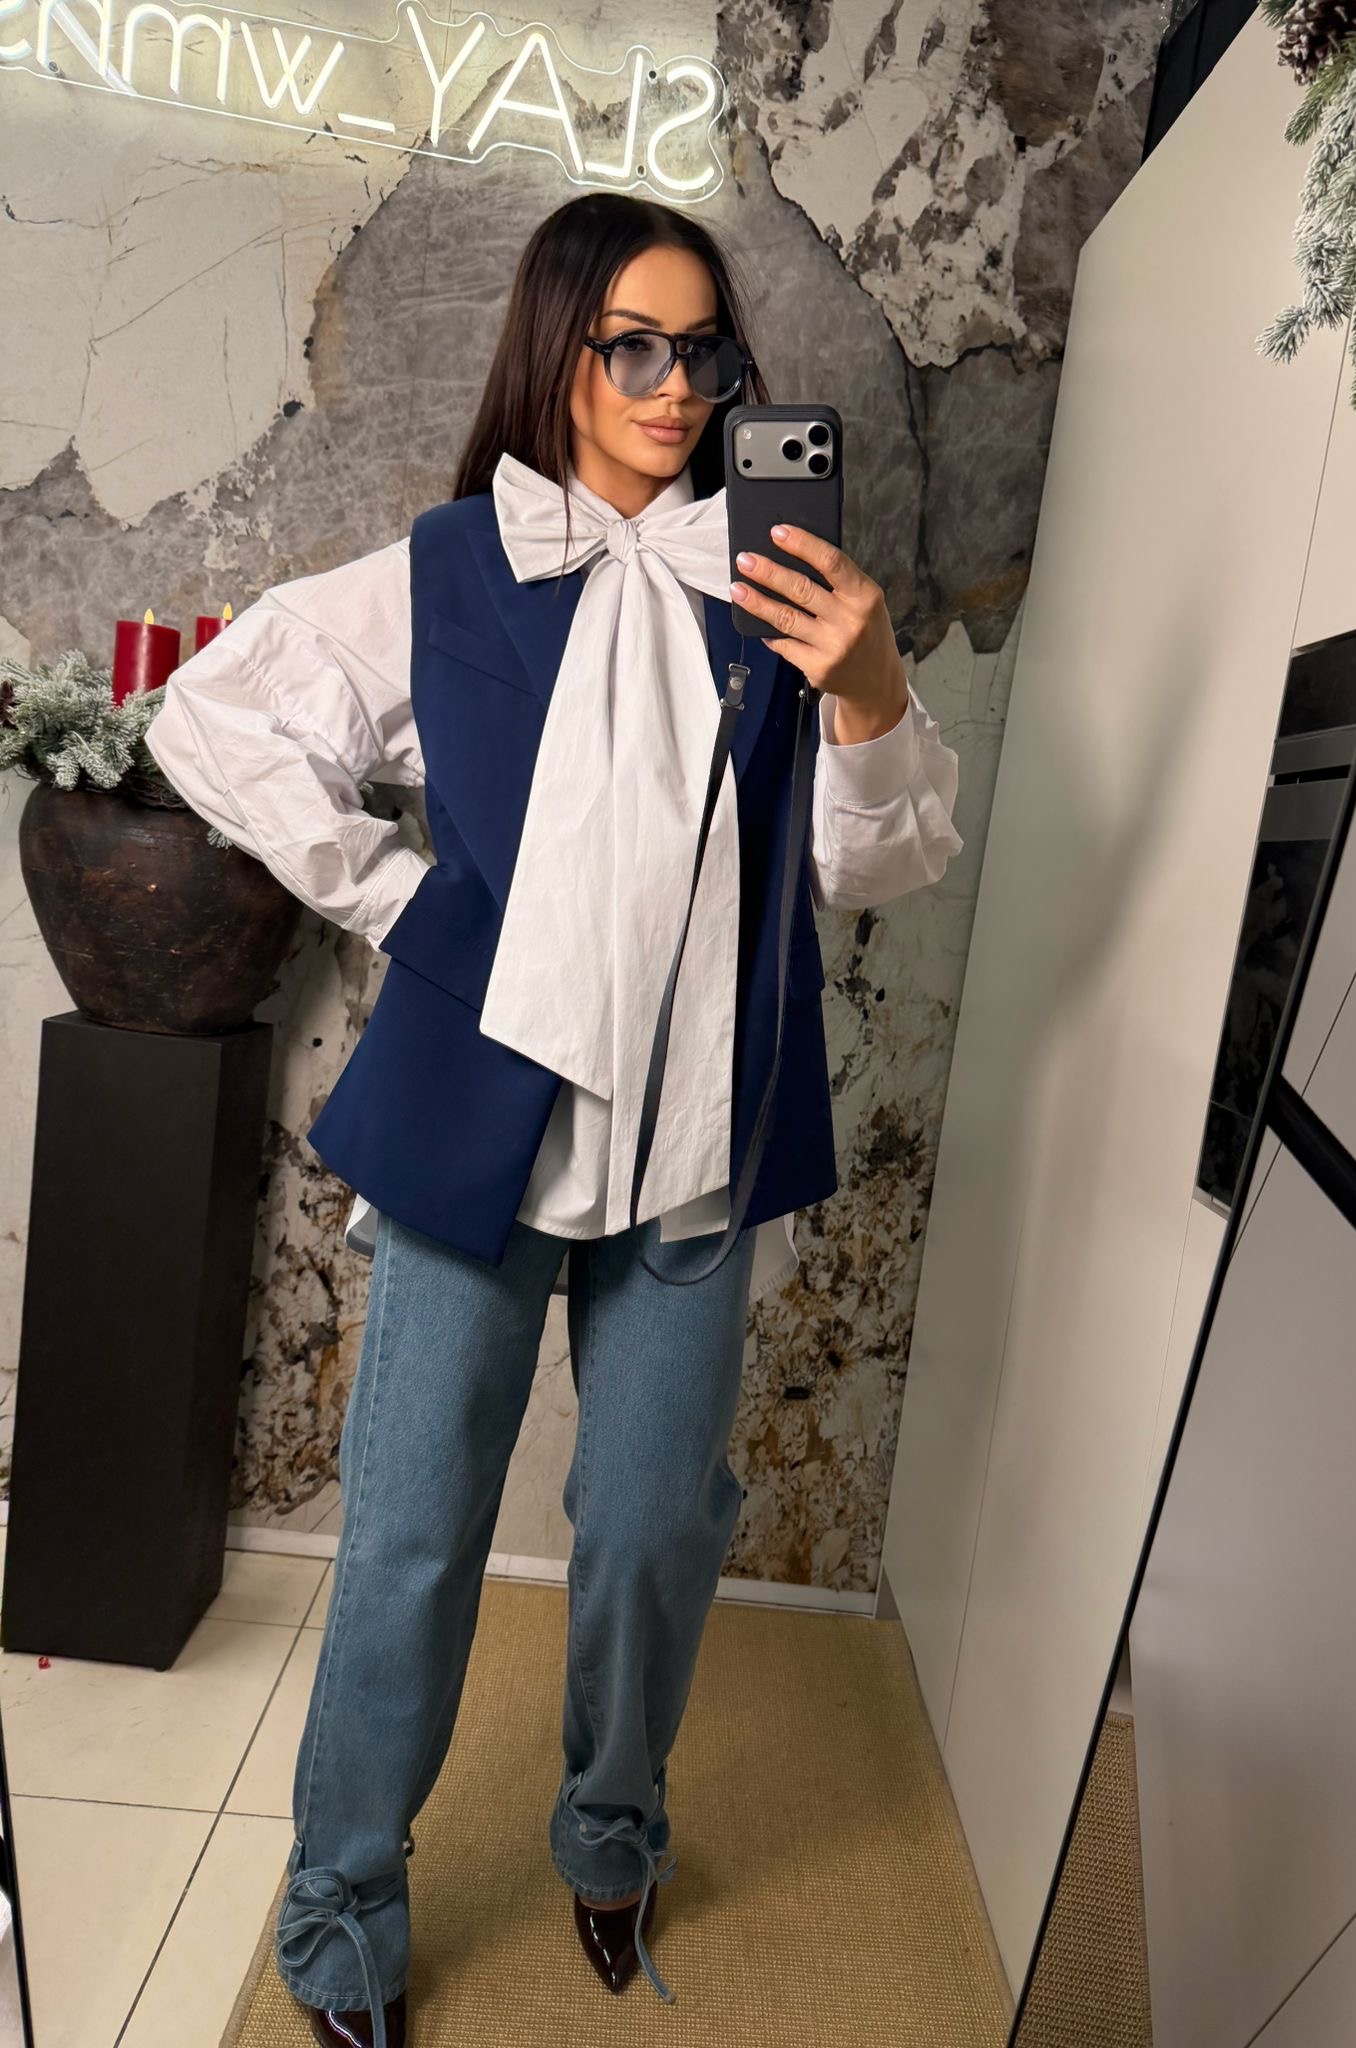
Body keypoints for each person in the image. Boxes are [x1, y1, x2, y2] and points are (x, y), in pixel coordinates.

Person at [146, 190, 963, 2046]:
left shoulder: (783, 584)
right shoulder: (451, 567)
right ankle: (341, 1908)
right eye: (635, 347)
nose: (676, 387)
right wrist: (407, 903)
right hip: (479, 1136)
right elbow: (214, 718)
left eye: (705, 352)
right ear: (563, 351)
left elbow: (869, 869)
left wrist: (868, 684)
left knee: (657, 1526)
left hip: (699, 1139)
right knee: (413, 1534)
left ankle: (612, 1831)